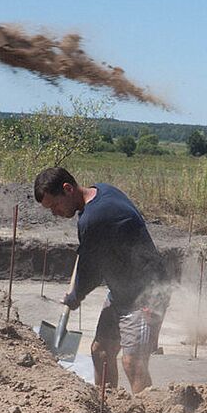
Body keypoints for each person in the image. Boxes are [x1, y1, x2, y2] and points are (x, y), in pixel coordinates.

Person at [34, 168, 169, 394]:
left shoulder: (94, 217)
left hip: (148, 293)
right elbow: (88, 253)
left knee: (133, 362)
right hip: (121, 292)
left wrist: (74, 297)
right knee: (101, 351)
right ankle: (106, 408)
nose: (55, 213)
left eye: (54, 206)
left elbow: (91, 272)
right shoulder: (102, 192)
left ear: (67, 189)